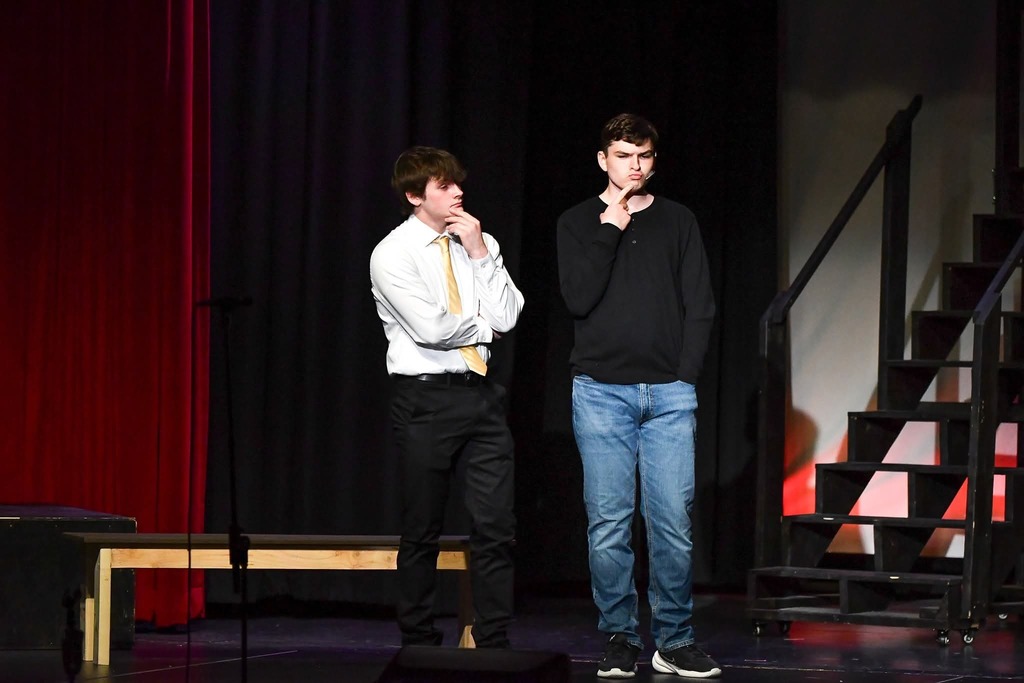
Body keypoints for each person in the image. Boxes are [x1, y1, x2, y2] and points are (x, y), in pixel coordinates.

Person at [556, 114, 720, 679]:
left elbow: (699, 302)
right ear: (604, 159)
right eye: (625, 155)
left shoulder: (678, 221)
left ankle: (674, 639)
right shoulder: (578, 222)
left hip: (669, 395)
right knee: (609, 522)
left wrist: (685, 374)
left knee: (672, 520)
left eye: (644, 156)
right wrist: (612, 224)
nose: (636, 166)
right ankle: (620, 636)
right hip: (601, 392)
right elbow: (577, 297)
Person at [370, 146, 524, 648]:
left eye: (457, 182)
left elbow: (510, 315)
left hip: (481, 398)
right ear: (416, 196)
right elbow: (431, 328)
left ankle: (494, 637)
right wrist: (485, 329)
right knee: (422, 528)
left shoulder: (476, 241)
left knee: (496, 525)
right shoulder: (392, 253)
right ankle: (418, 640)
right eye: (443, 186)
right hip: (426, 401)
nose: (458, 192)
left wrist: (479, 250)